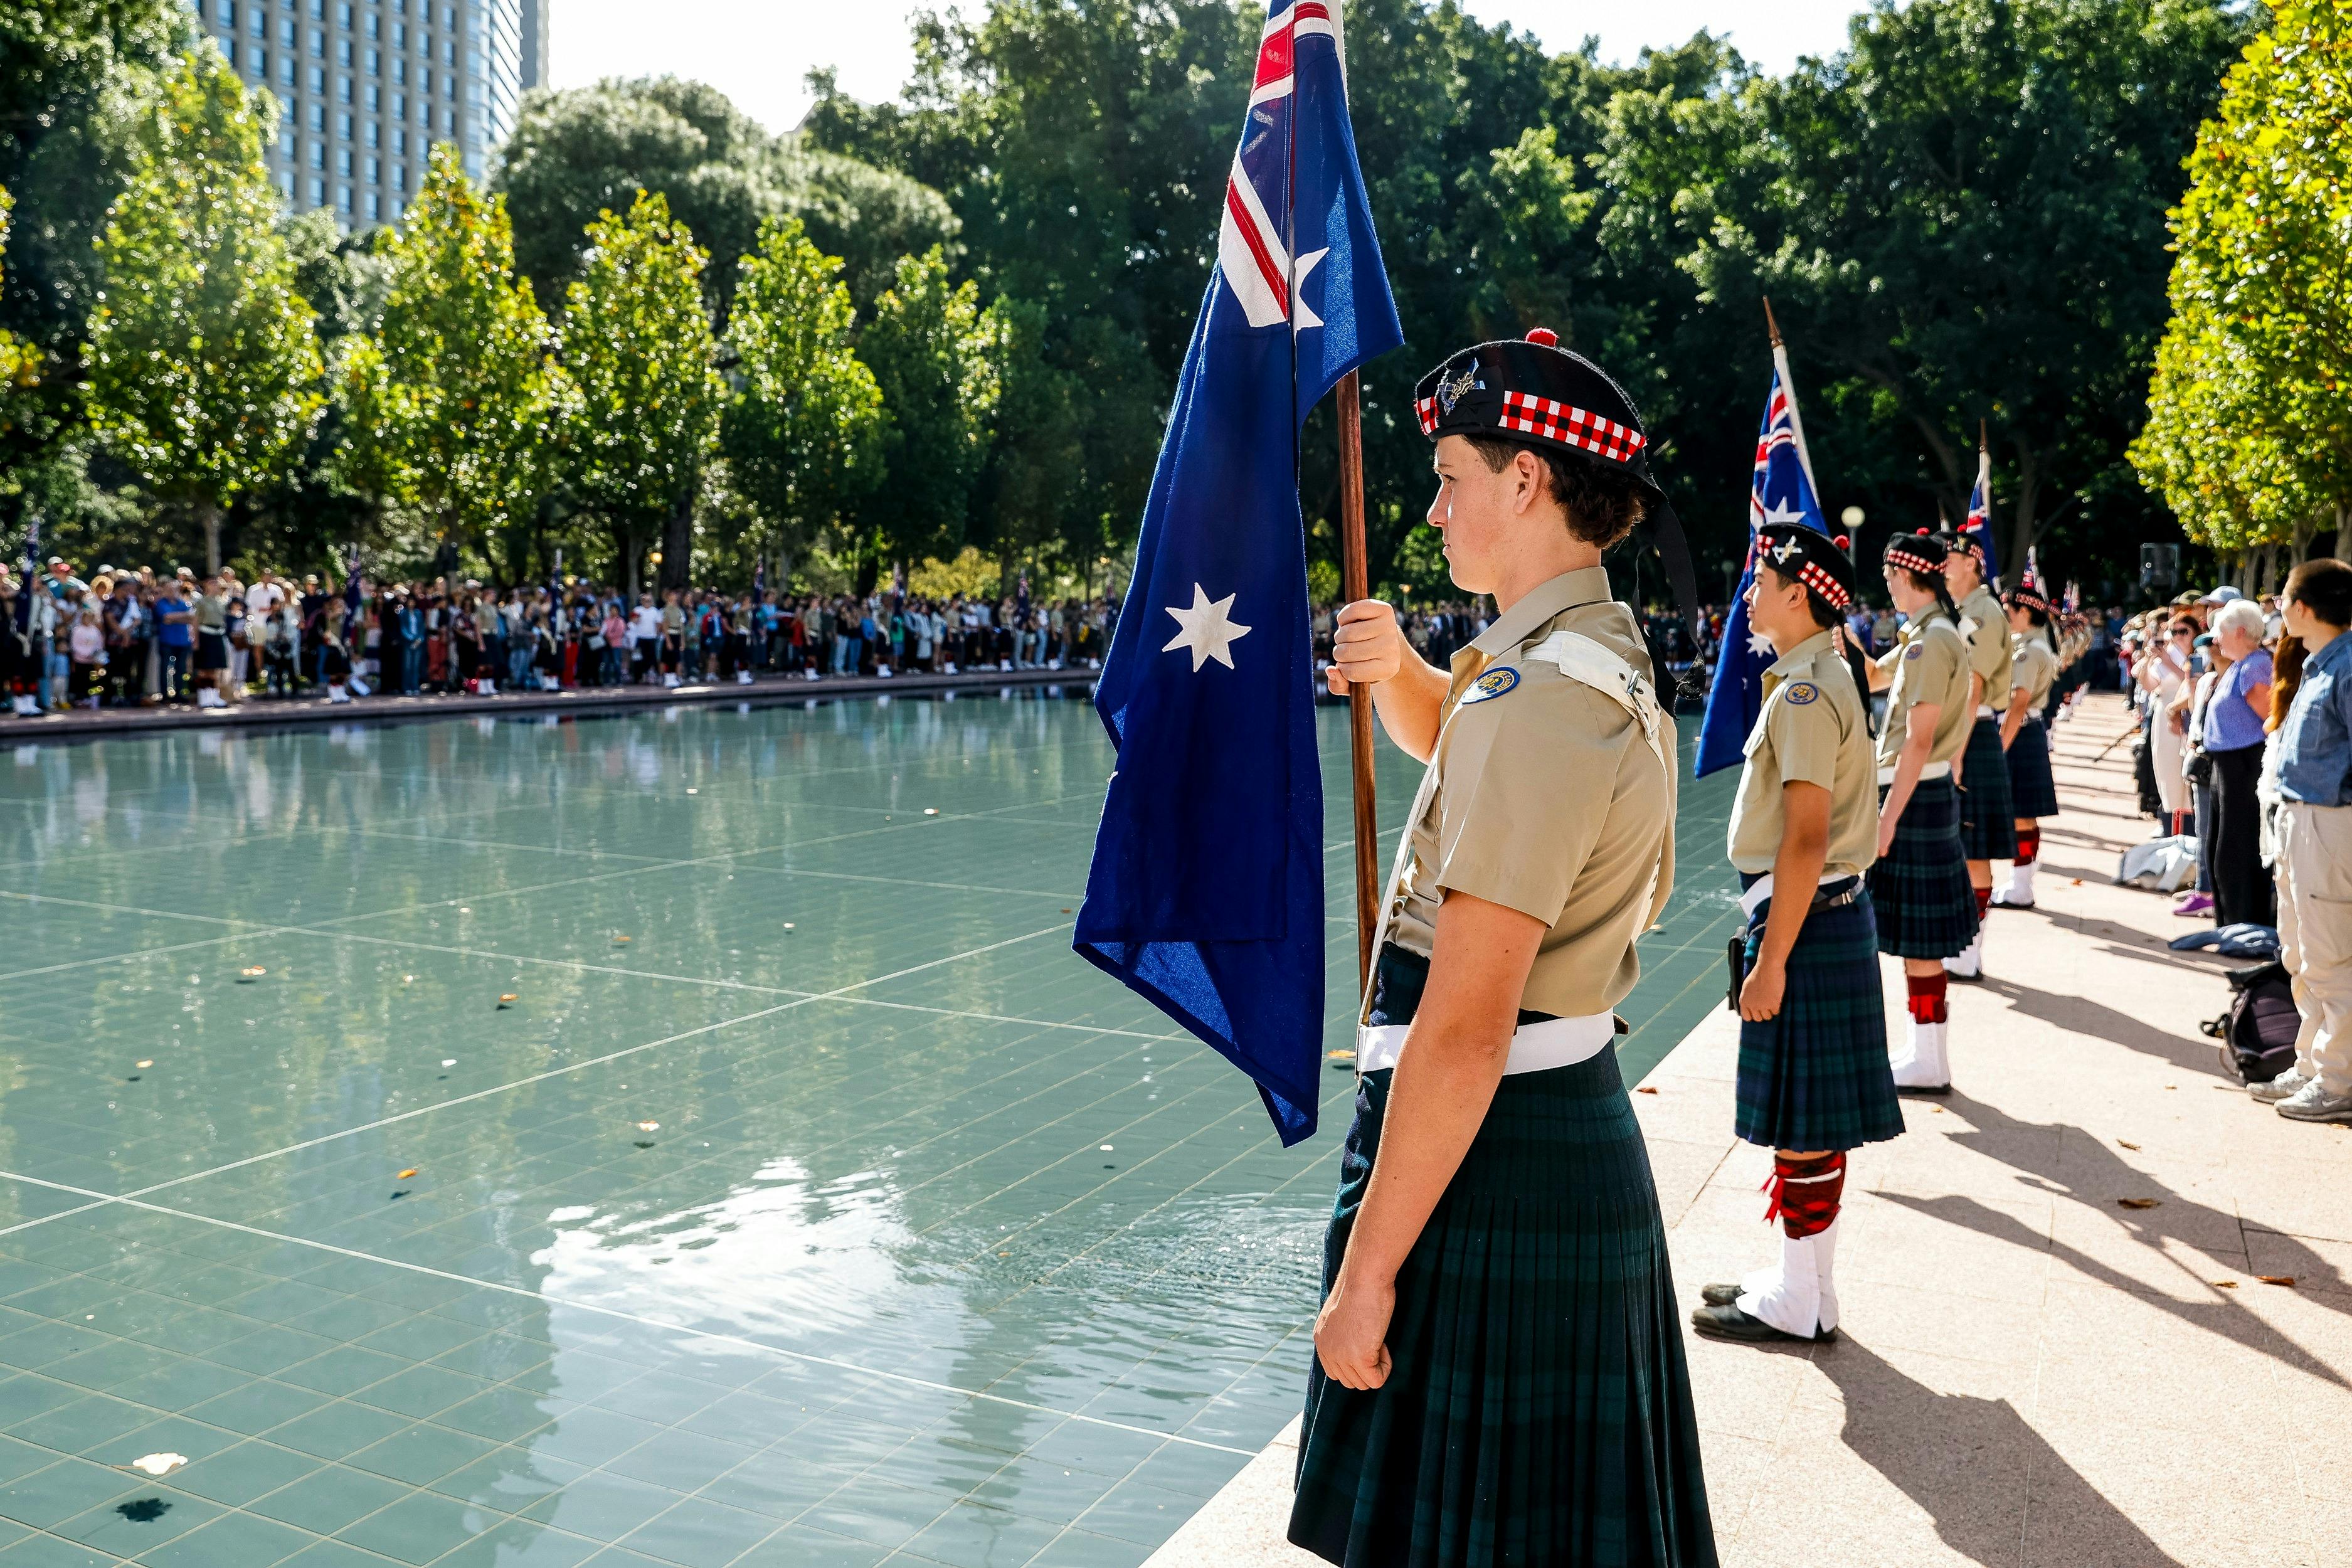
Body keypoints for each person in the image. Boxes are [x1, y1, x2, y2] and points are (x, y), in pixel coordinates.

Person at [1291, 331, 1714, 1567]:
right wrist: (1401, 676)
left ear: (1526, 480)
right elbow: (1474, 759)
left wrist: (1366, 1269)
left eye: (1452, 476)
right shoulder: (1560, 657)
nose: (1430, 508)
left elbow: (1469, 1026)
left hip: (1492, 1157)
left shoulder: (1541, 698)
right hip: (1520, 1140)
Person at [1690, 522, 1899, 1346]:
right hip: (1813, 916)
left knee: (1804, 1131)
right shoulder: (1814, 677)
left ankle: (1801, 1300)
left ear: (1798, 594)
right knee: (1807, 1126)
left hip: (1804, 922)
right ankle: (1803, 1289)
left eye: (1760, 583)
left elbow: (1806, 836)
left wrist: (1771, 959)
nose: (1748, 595)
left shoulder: (1805, 691)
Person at [1862, 531, 1976, 1091]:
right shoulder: (1927, 635)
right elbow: (1873, 678)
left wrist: (1887, 819)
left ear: (1907, 576)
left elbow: (1919, 738)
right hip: (1924, 792)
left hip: (1914, 795)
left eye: (1888, 578)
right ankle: (1922, 1049)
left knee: (1920, 940)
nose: (1887, 588)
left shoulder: (1931, 642)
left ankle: (1930, 1058)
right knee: (1916, 938)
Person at [2264, 558, 2352, 1123]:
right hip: (2300, 819)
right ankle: (2313, 1061)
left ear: (2303, 607)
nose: (2279, 610)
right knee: (2298, 952)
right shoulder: (2321, 663)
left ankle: (2339, 1078)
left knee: (2330, 957)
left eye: (2284, 599)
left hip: (2329, 823)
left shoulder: (2345, 667)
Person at [1937, 531, 2013, 978]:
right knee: (1966, 846)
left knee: (1973, 849)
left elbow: (1974, 684)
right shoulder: (1962, 610)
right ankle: (1965, 947)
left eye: (1949, 556)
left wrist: (1955, 752)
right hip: (1963, 731)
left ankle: (1968, 952)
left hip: (1972, 732)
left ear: (1972, 562)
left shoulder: (1983, 610)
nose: (1941, 563)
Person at [2201, 598, 2275, 928]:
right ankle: (2230, 921)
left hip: (2244, 767)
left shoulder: (2255, 665)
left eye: (2221, 632)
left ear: (2241, 632)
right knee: (2221, 845)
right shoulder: (2239, 664)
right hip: (2227, 766)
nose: (2216, 639)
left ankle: (2244, 922)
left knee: (2237, 847)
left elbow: (2273, 719)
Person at [1992, 576, 2063, 908]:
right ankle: (2021, 881)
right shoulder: (2028, 645)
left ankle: (2021, 885)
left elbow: (2018, 701)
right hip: (2025, 731)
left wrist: (2000, 747)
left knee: (2021, 814)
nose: (2005, 616)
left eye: (2008, 610)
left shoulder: (2028, 652)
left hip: (2019, 732)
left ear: (2024, 612)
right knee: (2022, 814)